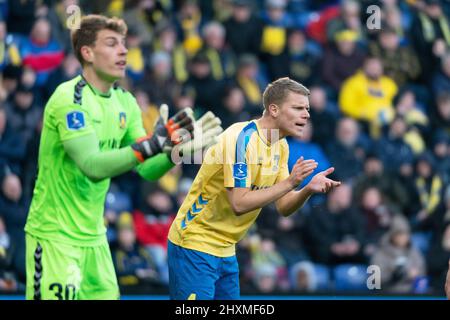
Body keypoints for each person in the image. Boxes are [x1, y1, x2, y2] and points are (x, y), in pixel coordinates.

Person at [24, 15, 222, 300]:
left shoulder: (125, 102)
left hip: (95, 239)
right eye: (112, 43)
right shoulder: (69, 98)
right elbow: (92, 165)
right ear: (87, 53)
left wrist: (173, 153)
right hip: (55, 236)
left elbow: (146, 169)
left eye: (124, 44)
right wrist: (154, 144)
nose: (124, 51)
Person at [167, 77, 341, 300]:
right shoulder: (240, 139)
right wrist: (290, 182)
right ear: (274, 109)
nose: (306, 114)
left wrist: (306, 189)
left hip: (227, 248)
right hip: (194, 243)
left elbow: (284, 206)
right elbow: (239, 203)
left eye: (306, 108)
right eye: (298, 108)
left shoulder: (281, 145)